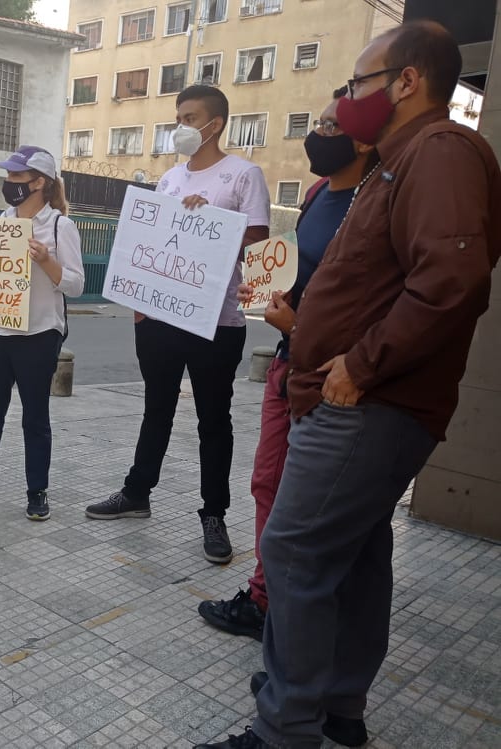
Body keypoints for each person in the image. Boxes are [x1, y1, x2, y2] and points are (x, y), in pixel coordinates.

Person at [195, 21, 501, 749]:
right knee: (358, 556)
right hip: (360, 398)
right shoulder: (398, 163)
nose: (345, 98)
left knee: (295, 552)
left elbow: (453, 277)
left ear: (406, 81)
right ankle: (336, 705)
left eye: (357, 83)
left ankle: (284, 727)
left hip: (368, 402)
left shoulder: (439, 151)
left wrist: (359, 364)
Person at [197, 88, 373, 646]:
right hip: (287, 363)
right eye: (316, 123)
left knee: (308, 506)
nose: (316, 134)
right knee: (268, 483)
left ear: (364, 138)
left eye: (328, 125)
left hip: (334, 377)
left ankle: (294, 616)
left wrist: (299, 326)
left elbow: (362, 304)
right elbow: (305, 273)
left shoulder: (375, 203)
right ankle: (264, 597)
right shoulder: (320, 193)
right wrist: (272, 295)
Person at [86, 85, 270, 564]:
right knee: (156, 409)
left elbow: (256, 240)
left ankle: (214, 513)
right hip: (160, 318)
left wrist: (211, 218)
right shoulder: (168, 181)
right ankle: (136, 491)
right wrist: (138, 304)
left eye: (191, 118)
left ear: (217, 124)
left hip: (218, 320)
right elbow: (146, 240)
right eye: (179, 117)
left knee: (214, 419)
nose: (182, 127)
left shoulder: (243, 175)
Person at [0, 145, 85, 521]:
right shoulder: (1, 219)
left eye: (16, 177)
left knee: (35, 417)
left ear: (39, 182)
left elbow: (75, 285)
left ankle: (37, 490)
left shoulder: (61, 226)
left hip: (40, 334)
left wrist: (46, 259)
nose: (8, 183)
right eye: (8, 177)